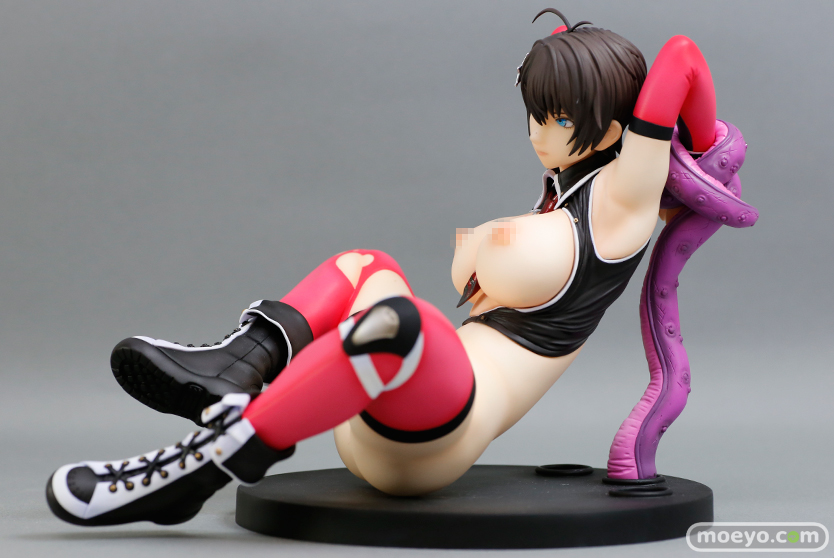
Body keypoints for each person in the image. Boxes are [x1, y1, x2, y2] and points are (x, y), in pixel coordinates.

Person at [46, 9, 722, 526]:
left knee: (405, 321)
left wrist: (711, 148)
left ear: (614, 126)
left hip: (431, 441)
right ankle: (237, 366)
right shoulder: (561, 193)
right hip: (381, 402)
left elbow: (681, 59)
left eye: (558, 119)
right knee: (366, 264)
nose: (536, 134)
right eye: (535, 114)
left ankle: (205, 465)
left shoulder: (623, 202)